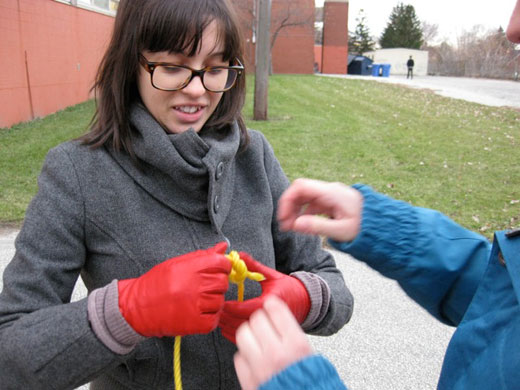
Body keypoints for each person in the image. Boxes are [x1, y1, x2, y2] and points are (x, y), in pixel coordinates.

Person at [0, 0, 353, 388]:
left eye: (215, 68)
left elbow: (333, 286)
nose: (198, 90)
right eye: (172, 67)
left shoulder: (255, 156)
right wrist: (129, 310)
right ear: (130, 63)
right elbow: (10, 350)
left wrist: (302, 296)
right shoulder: (78, 173)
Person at [233, 2, 520, 389]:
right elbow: (505, 298)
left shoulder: (254, 153)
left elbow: (330, 287)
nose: (513, 26)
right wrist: (390, 229)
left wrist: (300, 380)